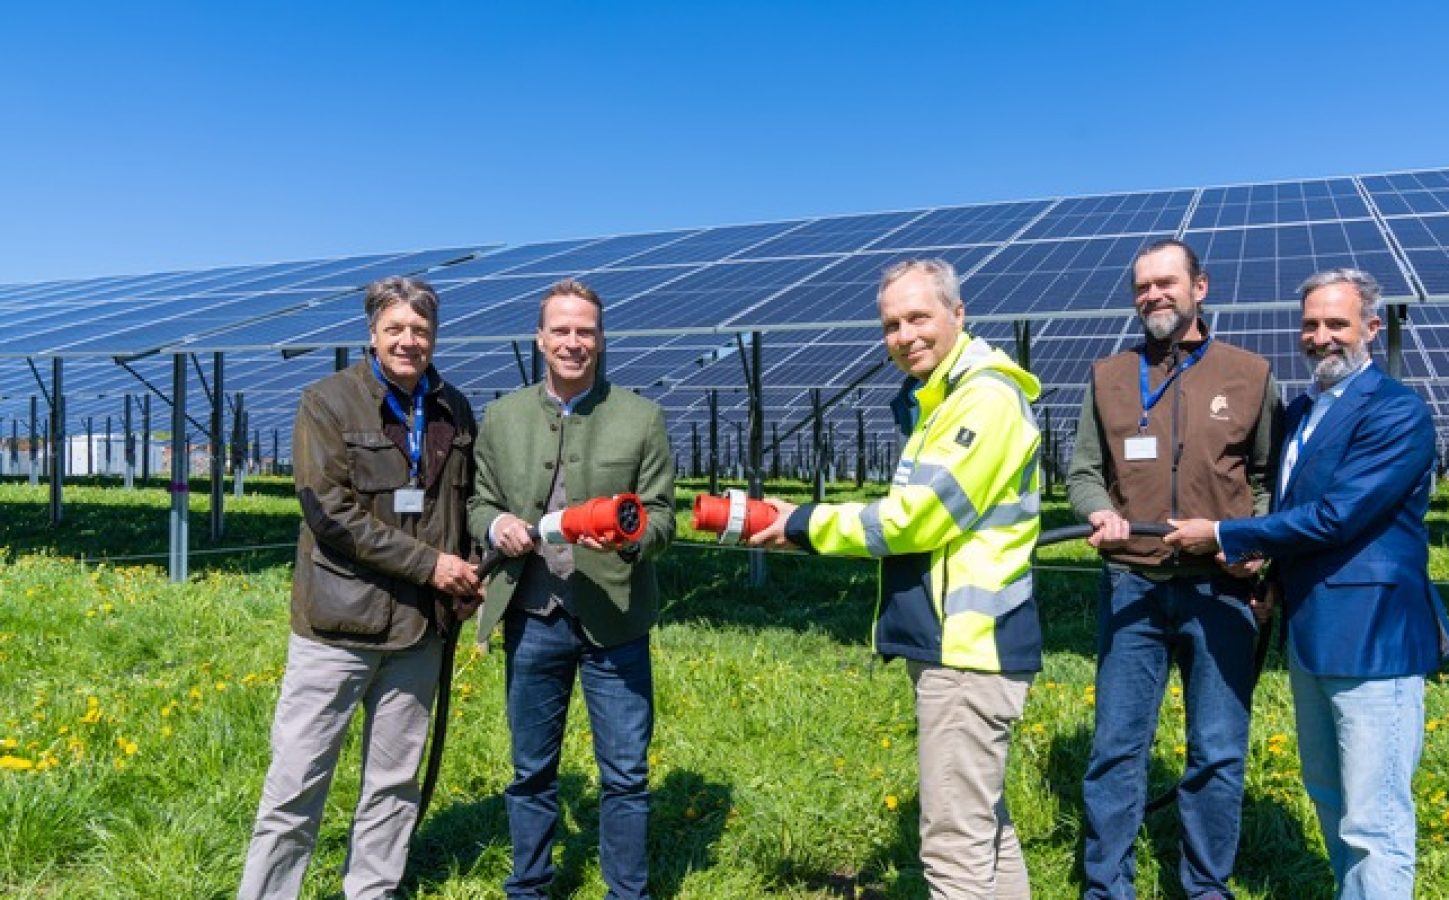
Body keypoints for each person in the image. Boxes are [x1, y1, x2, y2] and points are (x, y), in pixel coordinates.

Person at [749, 258, 1042, 899]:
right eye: (891, 324)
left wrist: (804, 522)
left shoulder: (983, 399)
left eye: (919, 317)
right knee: (985, 829)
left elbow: (917, 519)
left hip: (968, 651)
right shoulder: (942, 400)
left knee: (953, 850)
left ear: (958, 315)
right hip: (960, 647)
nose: (904, 334)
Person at [1166, 268, 1449, 900]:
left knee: (1373, 816)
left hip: (1374, 639)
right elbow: (1294, 508)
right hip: (1312, 630)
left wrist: (1223, 535)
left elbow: (1339, 515)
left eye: (1337, 324)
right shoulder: (1302, 411)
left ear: (1372, 329)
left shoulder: (1396, 412)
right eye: (1311, 325)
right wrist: (1269, 571)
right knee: (1329, 796)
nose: (1321, 337)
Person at [239, 276, 482, 900]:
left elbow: (466, 504)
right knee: (297, 781)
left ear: (434, 335)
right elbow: (329, 512)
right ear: (371, 333)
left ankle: (372, 891)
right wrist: (431, 566)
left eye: (421, 330)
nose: (409, 341)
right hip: (338, 626)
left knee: (395, 783)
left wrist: (468, 571)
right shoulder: (327, 402)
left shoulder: (453, 407)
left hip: (420, 631)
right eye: (395, 328)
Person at [1066, 238, 1282, 900]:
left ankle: (1205, 888)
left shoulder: (1251, 374)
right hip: (1133, 586)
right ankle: (1108, 888)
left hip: (1219, 590)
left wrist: (1254, 546)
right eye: (1141, 286)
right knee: (1116, 750)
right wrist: (1099, 511)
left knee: (1216, 752)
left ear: (1200, 288)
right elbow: (1082, 471)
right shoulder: (1108, 375)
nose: (1153, 295)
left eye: (1166, 282)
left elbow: (1272, 479)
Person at [468, 278, 676, 900]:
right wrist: (496, 523)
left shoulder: (641, 418)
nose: (573, 342)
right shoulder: (502, 419)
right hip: (530, 617)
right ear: (540, 339)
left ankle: (627, 894)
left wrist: (630, 540)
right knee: (530, 771)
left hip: (614, 619)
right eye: (561, 330)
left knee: (625, 776)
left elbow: (663, 516)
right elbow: (477, 503)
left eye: (585, 331)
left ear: (601, 339)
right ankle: (528, 887)